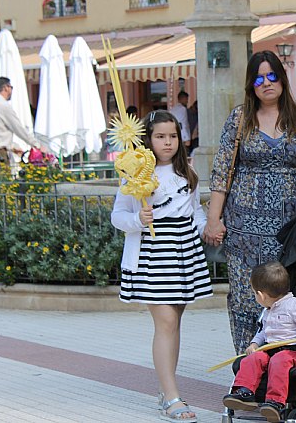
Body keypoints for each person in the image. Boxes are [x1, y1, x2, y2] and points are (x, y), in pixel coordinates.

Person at [204, 50, 296, 354]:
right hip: (244, 234)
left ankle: (288, 371)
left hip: (292, 233)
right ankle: (247, 369)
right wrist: (213, 218)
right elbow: (222, 171)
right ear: (251, 84)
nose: (266, 83)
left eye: (272, 75)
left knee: (290, 300)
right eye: (259, 78)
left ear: (282, 78)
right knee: (246, 299)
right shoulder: (239, 119)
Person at [111, 110, 212, 422]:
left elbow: (194, 213)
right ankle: (172, 397)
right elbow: (118, 216)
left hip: (185, 251)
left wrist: (208, 228)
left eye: (172, 135)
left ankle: (165, 389)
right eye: (160, 136)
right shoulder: (137, 174)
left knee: (174, 325)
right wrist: (137, 220)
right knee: (166, 324)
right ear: (148, 139)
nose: (167, 142)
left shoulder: (188, 173)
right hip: (154, 252)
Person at [222, 261, 296, 423]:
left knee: (279, 359)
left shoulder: (293, 305)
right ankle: (245, 392)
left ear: (261, 295)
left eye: (255, 294)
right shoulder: (267, 311)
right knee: (253, 358)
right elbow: (263, 331)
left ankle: (275, 402)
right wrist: (255, 344)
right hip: (275, 351)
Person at [0, 77, 41, 166]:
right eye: (11, 87)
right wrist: (36, 144)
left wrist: (12, 146)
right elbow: (18, 129)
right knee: (2, 179)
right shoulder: (3, 106)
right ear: (6, 88)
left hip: (1, 149)